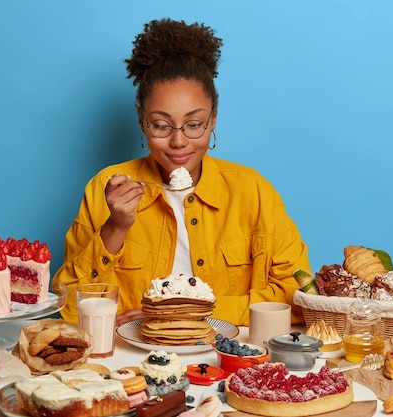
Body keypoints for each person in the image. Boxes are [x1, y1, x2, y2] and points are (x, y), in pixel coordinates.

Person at [53, 18, 311, 327]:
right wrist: (115, 228)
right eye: (161, 125)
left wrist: (196, 310)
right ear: (141, 120)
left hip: (226, 355)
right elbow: (68, 306)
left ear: (213, 118)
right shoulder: (104, 188)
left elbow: (299, 296)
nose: (178, 142)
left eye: (193, 124)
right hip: (131, 359)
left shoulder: (253, 192)